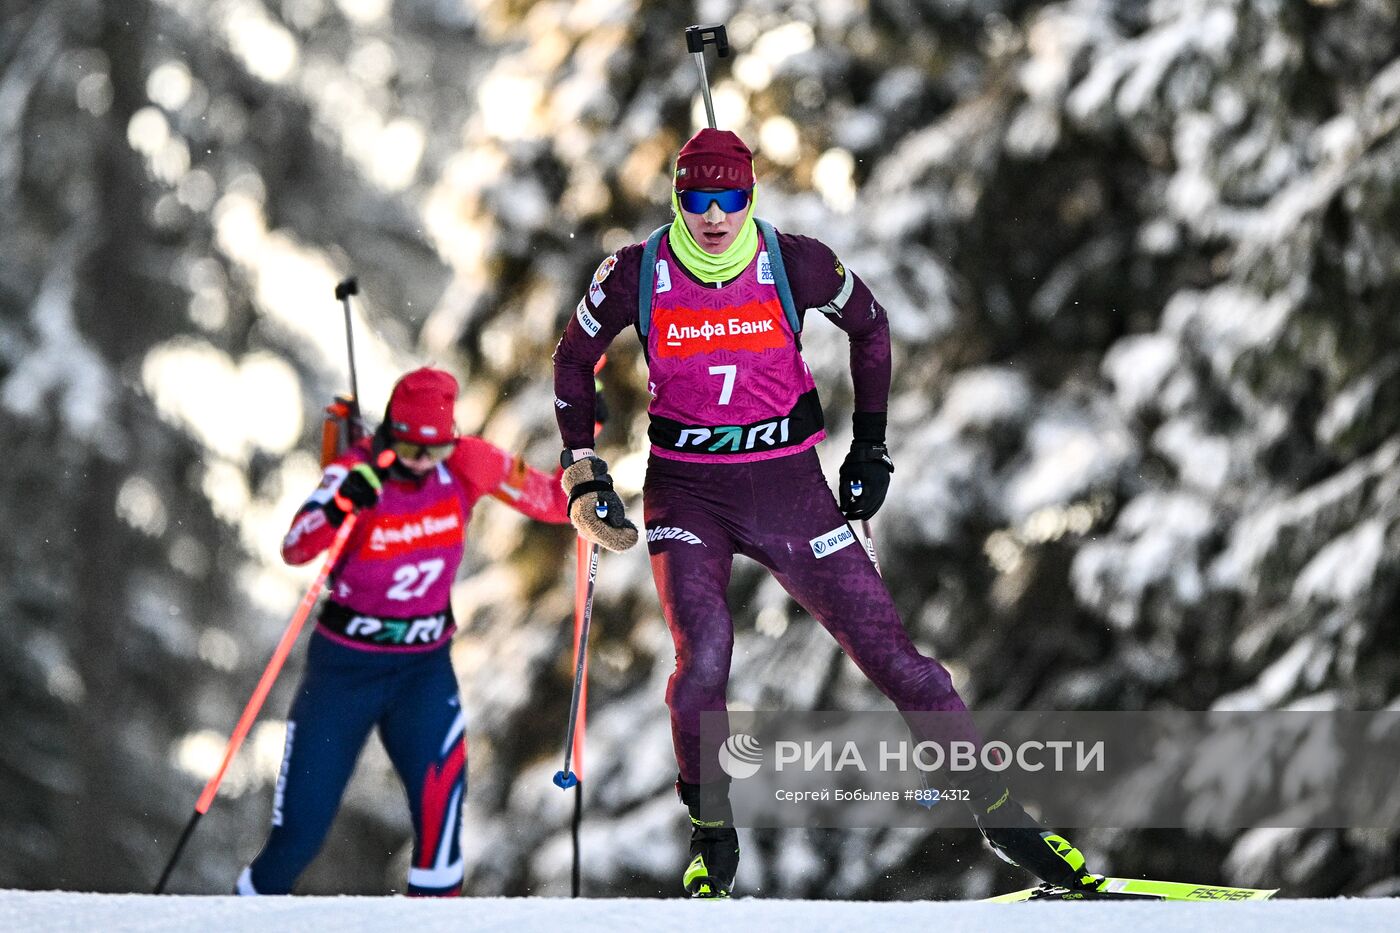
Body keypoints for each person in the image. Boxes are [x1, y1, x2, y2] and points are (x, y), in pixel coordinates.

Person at [552, 128, 1099, 898]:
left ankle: (1004, 816)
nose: (713, 215)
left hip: (788, 486)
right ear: (678, 199)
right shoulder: (637, 273)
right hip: (688, 489)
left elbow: (871, 327)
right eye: (696, 199)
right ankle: (712, 832)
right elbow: (574, 358)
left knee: (897, 659)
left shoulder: (793, 260)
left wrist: (870, 449)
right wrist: (583, 467)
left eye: (730, 198)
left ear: (750, 197)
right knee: (703, 658)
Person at [236, 367, 571, 896]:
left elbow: (553, 500)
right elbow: (297, 546)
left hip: (423, 671)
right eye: (411, 448)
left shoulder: (468, 461)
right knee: (298, 836)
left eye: (434, 451)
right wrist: (343, 500)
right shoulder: (358, 469)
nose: (421, 463)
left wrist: (586, 461)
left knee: (442, 835)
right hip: (344, 672)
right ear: (392, 432)